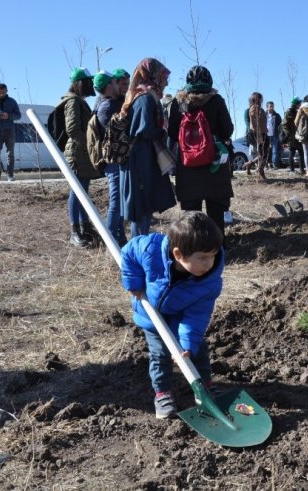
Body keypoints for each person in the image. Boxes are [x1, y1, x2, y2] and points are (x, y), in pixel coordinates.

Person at [120, 211, 225, 419]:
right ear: (178, 254)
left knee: (197, 350)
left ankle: (204, 388)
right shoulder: (150, 249)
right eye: (202, 258)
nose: (209, 264)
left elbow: (197, 315)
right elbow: (128, 251)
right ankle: (162, 394)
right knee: (159, 355)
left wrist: (186, 343)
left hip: (180, 315)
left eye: (213, 256)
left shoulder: (209, 281)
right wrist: (133, 282)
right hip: (151, 315)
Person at [168, 65, 235, 239]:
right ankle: (219, 250)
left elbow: (173, 134)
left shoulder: (178, 102)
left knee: (191, 217)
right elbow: (227, 130)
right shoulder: (217, 101)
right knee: (216, 213)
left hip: (188, 164)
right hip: (213, 164)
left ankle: (193, 251)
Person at [120, 58, 176, 237]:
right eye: (162, 75)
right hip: (140, 161)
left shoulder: (143, 95)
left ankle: (141, 246)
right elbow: (144, 130)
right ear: (152, 75)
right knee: (141, 208)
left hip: (144, 158)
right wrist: (163, 130)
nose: (165, 81)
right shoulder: (145, 98)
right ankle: (138, 250)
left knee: (145, 207)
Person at [59, 67, 100, 248]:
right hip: (77, 153)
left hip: (82, 153)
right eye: (88, 82)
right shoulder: (72, 102)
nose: (91, 85)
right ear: (80, 83)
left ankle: (86, 227)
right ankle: (74, 231)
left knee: (83, 192)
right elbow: (73, 129)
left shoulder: (78, 101)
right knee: (77, 192)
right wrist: (89, 145)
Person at [93, 70, 127, 245]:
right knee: (116, 201)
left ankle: (119, 236)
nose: (118, 85)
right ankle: (111, 239)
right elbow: (113, 133)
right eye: (115, 82)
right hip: (113, 161)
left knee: (120, 200)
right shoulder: (106, 107)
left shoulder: (111, 103)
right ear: (108, 86)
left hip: (116, 160)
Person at [282, 97, 305, 174]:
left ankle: (302, 170)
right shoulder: (289, 112)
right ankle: (292, 170)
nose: (300, 104)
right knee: (292, 153)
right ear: (295, 104)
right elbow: (284, 124)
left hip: (298, 136)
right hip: (292, 137)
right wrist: (288, 134)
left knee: (301, 153)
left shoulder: (296, 111)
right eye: (299, 103)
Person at [265, 101, 282, 168]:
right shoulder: (264, 115)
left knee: (274, 151)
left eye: (273, 106)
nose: (272, 108)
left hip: (275, 135)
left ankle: (274, 164)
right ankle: (266, 164)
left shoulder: (277, 115)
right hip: (266, 136)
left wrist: (280, 134)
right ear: (267, 107)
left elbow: (281, 125)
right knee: (266, 151)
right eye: (270, 106)